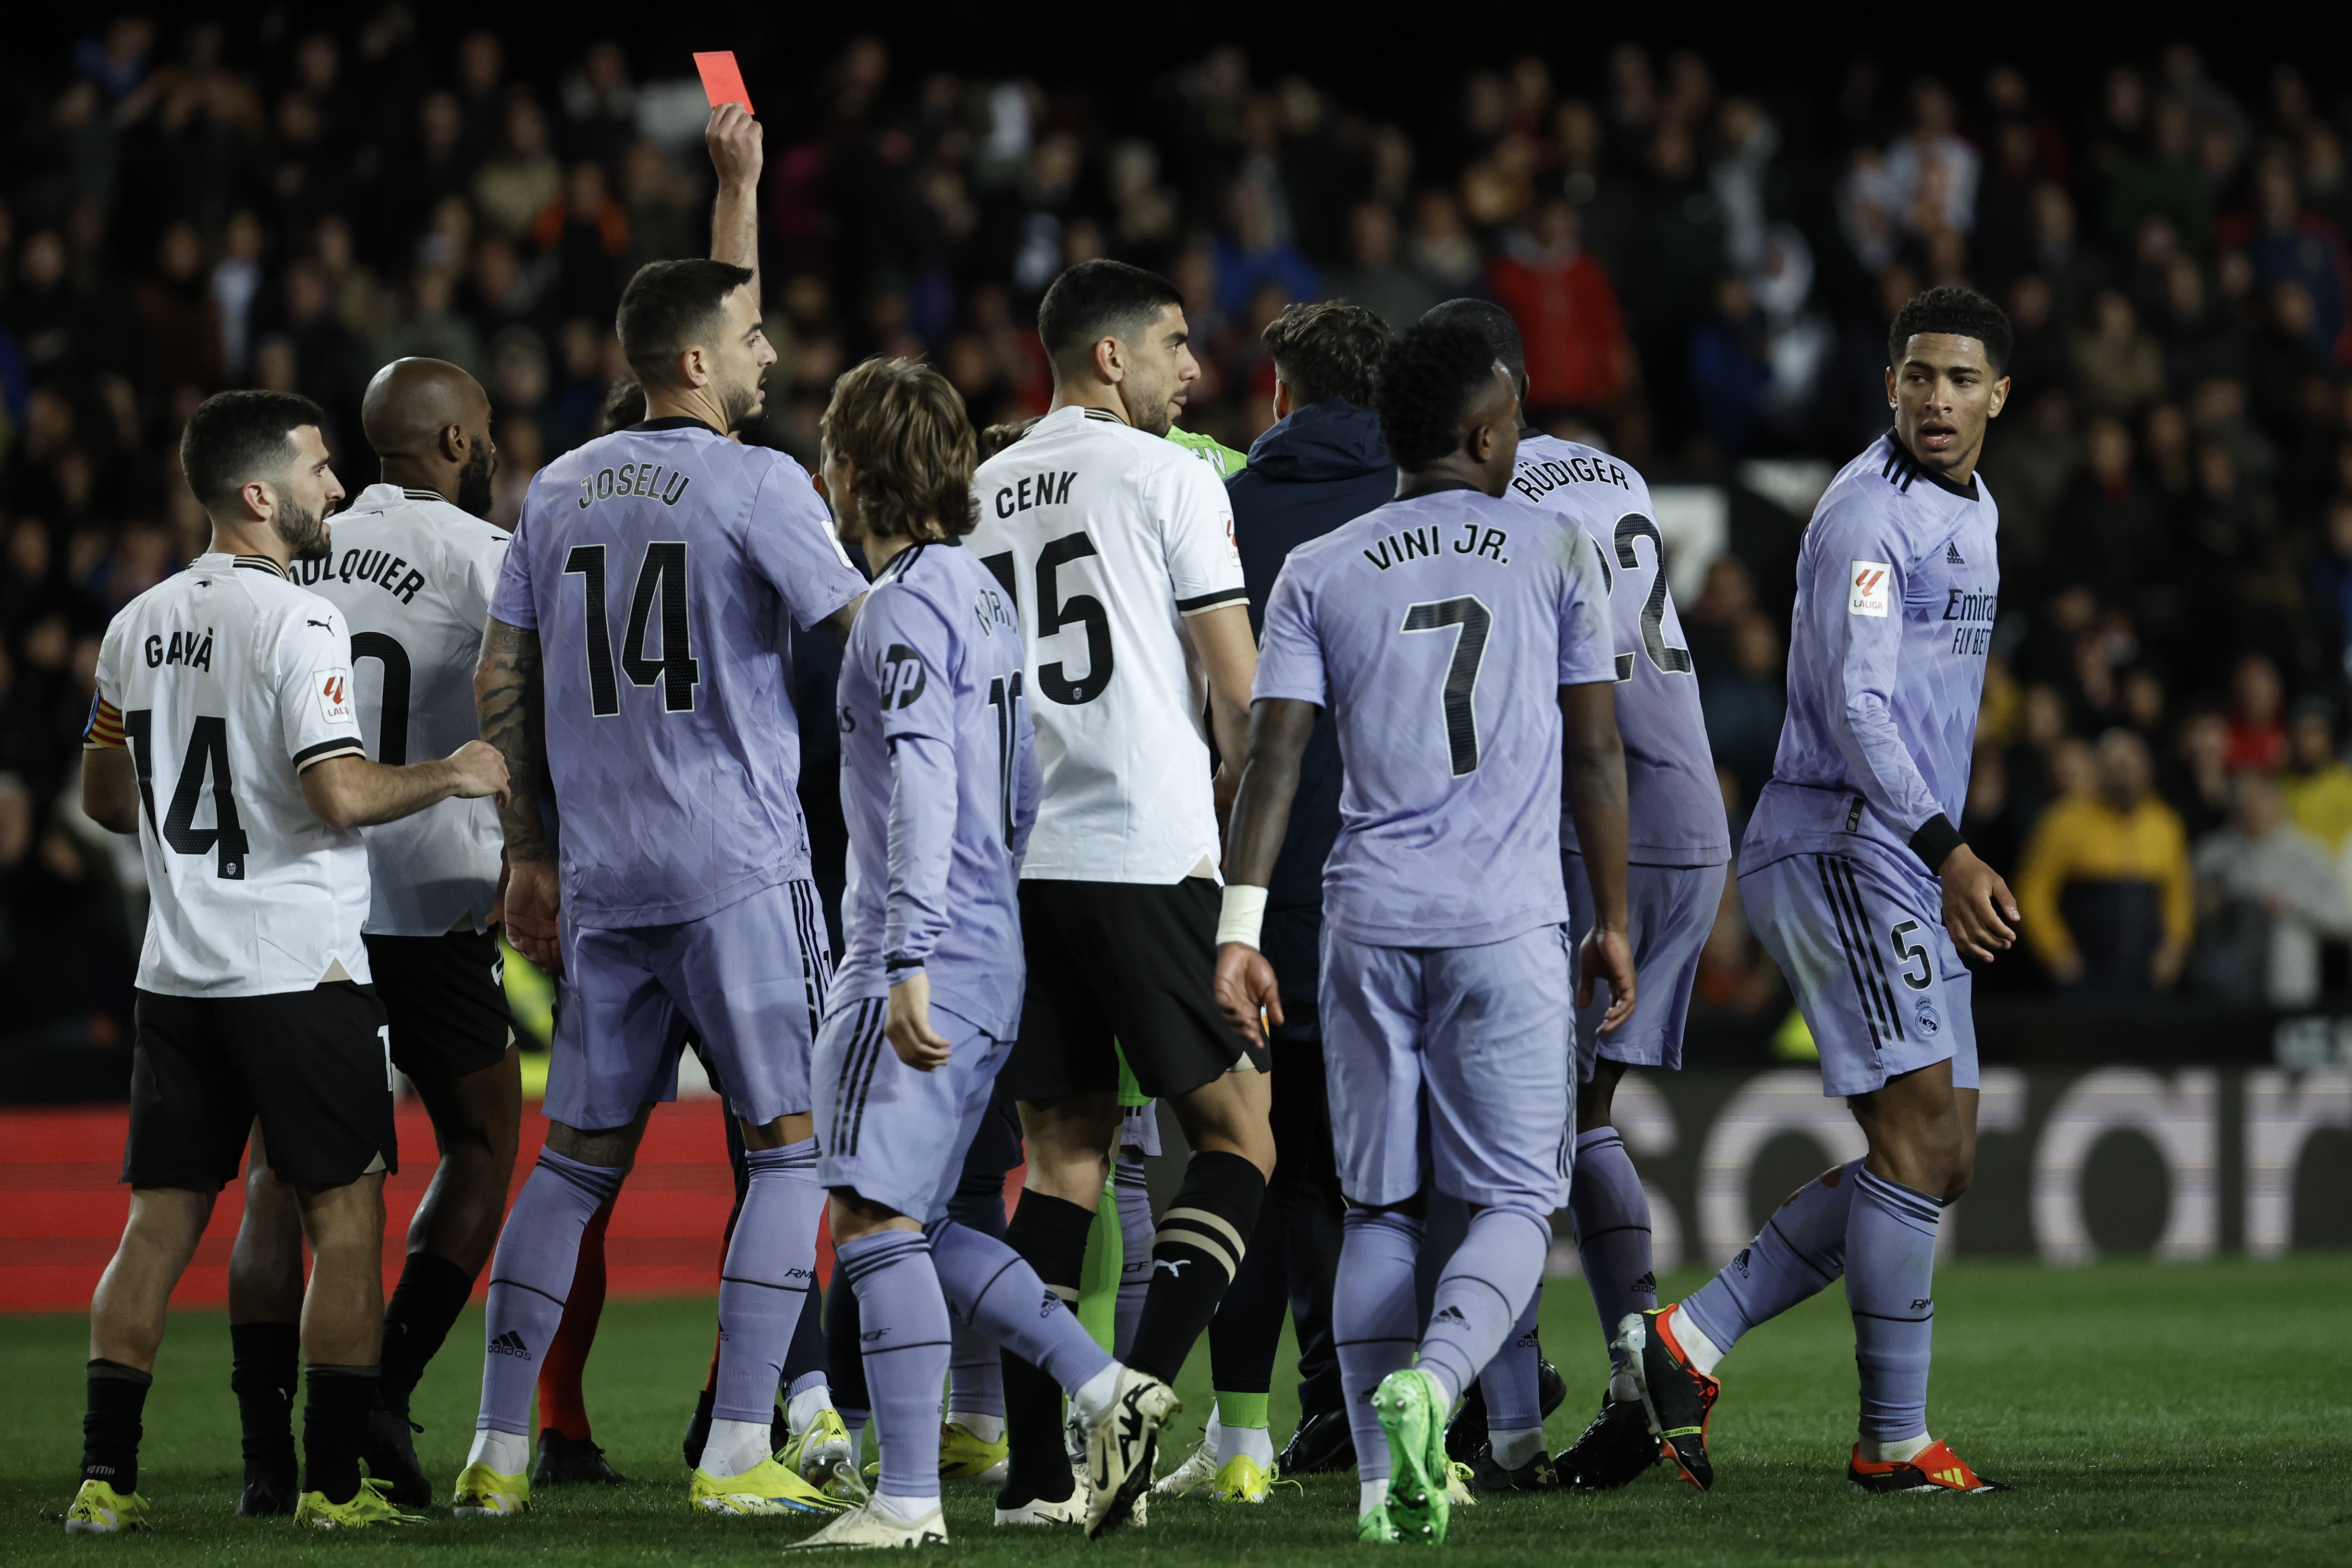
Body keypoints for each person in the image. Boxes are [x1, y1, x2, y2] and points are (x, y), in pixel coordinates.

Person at [453, 253, 869, 1520]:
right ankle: (743, 1442)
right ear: (695, 360)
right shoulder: (762, 483)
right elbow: (868, 641)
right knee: (791, 1150)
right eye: (751, 337)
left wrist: (530, 850)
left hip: (606, 879)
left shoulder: (557, 487)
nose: (769, 357)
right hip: (739, 868)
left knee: (572, 1166)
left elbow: (498, 682)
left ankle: (496, 1451)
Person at [1212, 312, 1635, 1546]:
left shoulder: (1321, 567)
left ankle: (1376, 1490)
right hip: (1503, 923)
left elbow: (1272, 759)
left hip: (1364, 925)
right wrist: (1613, 919)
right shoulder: (1555, 548)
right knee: (1512, 1200)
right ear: (1481, 428)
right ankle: (1435, 1386)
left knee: (1380, 1208)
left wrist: (1240, 927)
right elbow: (1597, 752)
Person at [67, 390, 508, 1533]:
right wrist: (453, 774)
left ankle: (104, 1482)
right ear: (258, 493)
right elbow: (339, 790)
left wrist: (191, 816)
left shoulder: (136, 621)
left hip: (178, 974)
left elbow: (105, 794)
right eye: (317, 469)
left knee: (158, 1226)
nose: (336, 488)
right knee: (344, 1224)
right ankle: (329, 1487)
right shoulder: (296, 621)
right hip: (300, 975)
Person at [1627, 286, 2019, 1497]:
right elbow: (1852, 711)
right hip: (1844, 839)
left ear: (1997, 395)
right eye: (1917, 377)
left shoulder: (1979, 509)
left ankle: (1686, 1340)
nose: (1936, 398)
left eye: (1959, 379)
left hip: (1906, 850)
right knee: (1913, 1135)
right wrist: (1950, 847)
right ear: (1887, 387)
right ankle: (1890, 1441)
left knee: (1942, 1157)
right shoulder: (1864, 519)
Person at [788, 356, 1167, 1548]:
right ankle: (1109, 1392)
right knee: (940, 1220)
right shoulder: (982, 591)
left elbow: (923, 780)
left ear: (852, 474)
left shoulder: (898, 607)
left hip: (923, 956)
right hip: (989, 943)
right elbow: (1017, 781)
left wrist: (905, 954)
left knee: (867, 1216)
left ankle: (906, 1500)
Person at [966, 257, 1271, 1537]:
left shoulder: (978, 489)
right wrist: (1248, 882)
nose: (1192, 370)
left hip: (1021, 865)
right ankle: (1136, 1397)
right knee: (1240, 1140)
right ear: (1110, 358)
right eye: (1173, 346)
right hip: (1147, 854)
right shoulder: (1176, 478)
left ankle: (1041, 1481)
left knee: (1062, 1162)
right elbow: (1244, 700)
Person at [1423, 297, 1730, 1493]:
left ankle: (1505, 1434)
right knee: (1583, 1114)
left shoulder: (1495, 501)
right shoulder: (1613, 470)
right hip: (1688, 816)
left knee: (1502, 1138)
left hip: (1588, 825)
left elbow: (1542, 690)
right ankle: (1629, 1362)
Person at [221, 357, 525, 1512]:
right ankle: (385, 1388)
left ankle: (263, 1459)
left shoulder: (299, 540)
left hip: (304, 894)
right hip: (434, 886)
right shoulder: (487, 560)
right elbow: (523, 720)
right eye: (486, 429)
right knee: (485, 1138)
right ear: (450, 440)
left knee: (274, 1173)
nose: (493, 446)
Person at [1159, 300, 1391, 1502]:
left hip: (1254, 885)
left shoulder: (1225, 511)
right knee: (1399, 1172)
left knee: (1258, 1159)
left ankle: (1269, 1424)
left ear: (1279, 397)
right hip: (1415, 889)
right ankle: (1451, 1400)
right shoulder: (1427, 508)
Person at [2012, 728, 2192, 993]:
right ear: (2100, 769)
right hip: (2083, 978)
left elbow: (2179, 896)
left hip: (2149, 979)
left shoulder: (2165, 825)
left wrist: (2174, 950)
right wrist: (2056, 952)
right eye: (2119, 767)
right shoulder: (2064, 820)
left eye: (2135, 767)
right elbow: (2033, 893)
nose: (2128, 776)